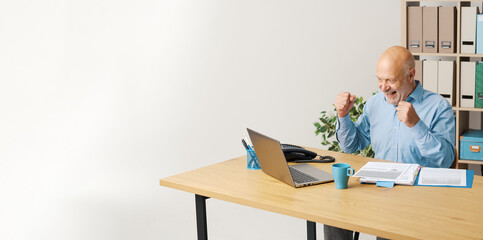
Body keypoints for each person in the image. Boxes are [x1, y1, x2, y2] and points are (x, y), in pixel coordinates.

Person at [324, 46, 455, 240]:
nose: (383, 87)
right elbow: (351, 145)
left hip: (419, 199)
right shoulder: (375, 103)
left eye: (390, 80)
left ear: (411, 75)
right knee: (333, 216)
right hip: (379, 192)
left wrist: (416, 125)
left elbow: (445, 160)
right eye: (379, 79)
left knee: (393, 230)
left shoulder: (438, 106)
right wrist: (343, 116)